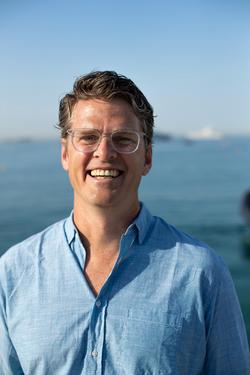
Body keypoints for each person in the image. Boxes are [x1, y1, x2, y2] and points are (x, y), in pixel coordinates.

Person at [0, 71, 249, 375]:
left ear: (147, 158)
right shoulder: (13, 272)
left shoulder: (202, 274)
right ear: (65, 153)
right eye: (88, 138)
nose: (104, 153)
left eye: (123, 139)